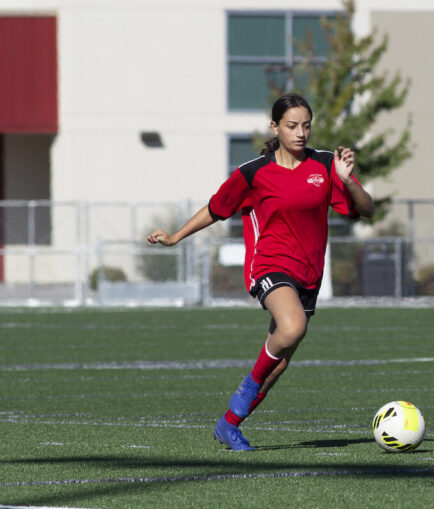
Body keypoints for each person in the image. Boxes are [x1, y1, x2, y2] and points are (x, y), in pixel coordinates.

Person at [147, 93, 374, 450]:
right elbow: (216, 209)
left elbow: (366, 209)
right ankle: (243, 394)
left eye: (306, 126)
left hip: (309, 275)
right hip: (269, 266)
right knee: (292, 326)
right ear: (275, 127)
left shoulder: (327, 165)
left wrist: (346, 180)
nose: (301, 133)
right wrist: (176, 236)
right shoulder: (253, 173)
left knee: (279, 364)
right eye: (292, 125)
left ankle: (229, 424)